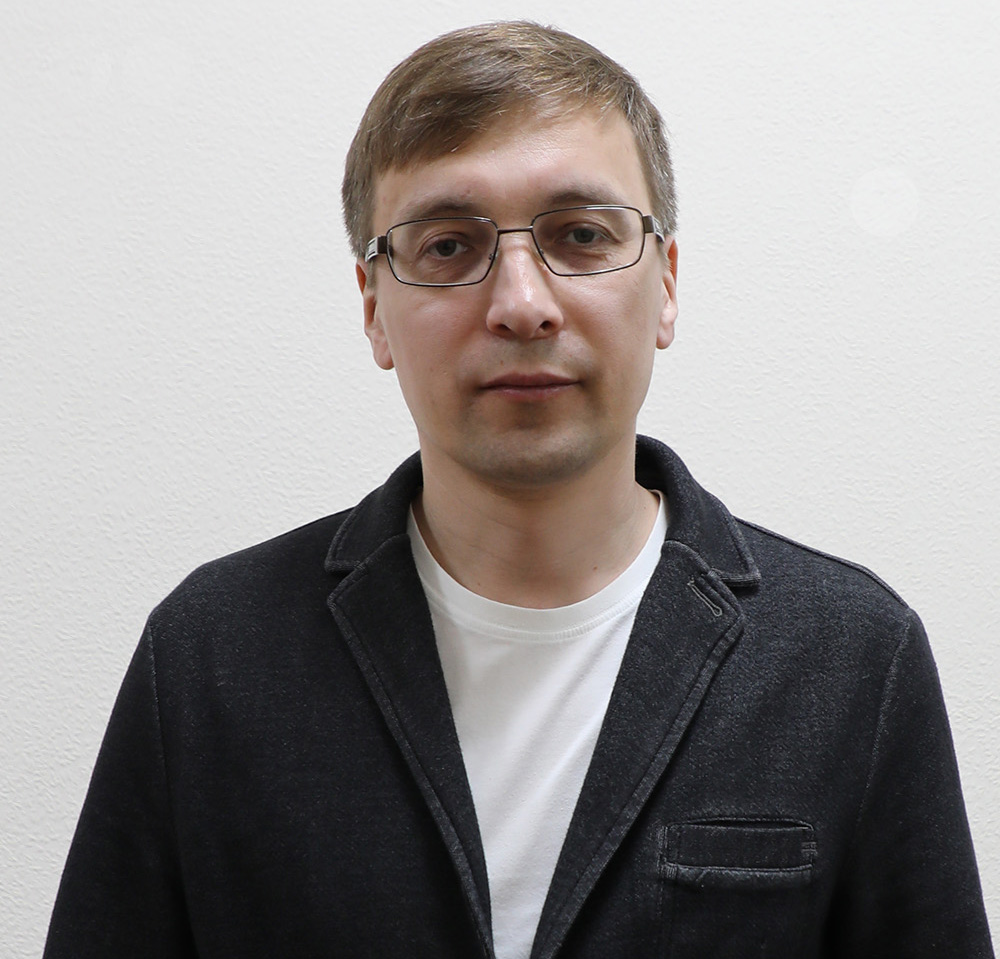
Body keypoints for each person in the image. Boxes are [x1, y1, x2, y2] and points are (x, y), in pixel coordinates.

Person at [44, 20, 993, 959]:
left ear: (666, 284)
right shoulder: (209, 658)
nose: (522, 304)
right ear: (373, 308)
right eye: (448, 247)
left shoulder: (853, 657)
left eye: (580, 235)